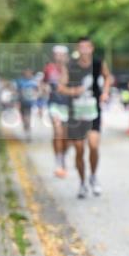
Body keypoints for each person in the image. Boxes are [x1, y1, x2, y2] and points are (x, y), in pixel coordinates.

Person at [59, 37, 113, 198]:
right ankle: (82, 183)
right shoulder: (70, 66)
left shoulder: (98, 63)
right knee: (79, 149)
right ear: (78, 49)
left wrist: (105, 92)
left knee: (94, 145)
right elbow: (61, 87)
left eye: (87, 47)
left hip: (93, 110)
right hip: (76, 112)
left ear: (92, 48)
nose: (84, 50)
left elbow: (108, 77)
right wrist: (73, 91)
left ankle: (94, 177)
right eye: (81, 47)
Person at [44, 45, 70, 178]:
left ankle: (63, 156)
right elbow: (43, 83)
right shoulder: (49, 68)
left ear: (66, 56)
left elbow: (65, 83)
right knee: (58, 133)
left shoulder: (71, 69)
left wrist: (64, 67)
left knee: (66, 137)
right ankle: (58, 163)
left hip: (68, 105)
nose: (59, 57)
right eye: (57, 54)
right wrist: (44, 89)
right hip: (54, 104)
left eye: (62, 54)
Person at [15, 68, 40, 141]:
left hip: (29, 102)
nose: (28, 74)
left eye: (30, 73)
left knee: (28, 117)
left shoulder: (34, 82)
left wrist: (36, 96)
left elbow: (37, 90)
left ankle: (28, 133)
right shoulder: (20, 81)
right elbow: (17, 91)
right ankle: (26, 127)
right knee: (23, 116)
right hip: (22, 101)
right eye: (27, 73)